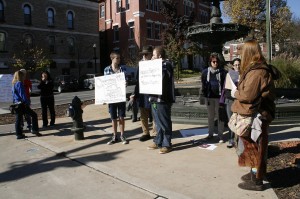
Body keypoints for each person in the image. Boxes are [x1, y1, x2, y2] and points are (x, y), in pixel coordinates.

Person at [231, 39, 280, 191]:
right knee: (251, 145)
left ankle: (257, 180)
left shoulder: (258, 71)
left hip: (258, 114)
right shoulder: (256, 69)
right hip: (256, 113)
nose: (241, 53)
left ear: (249, 52)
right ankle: (254, 174)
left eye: (243, 51)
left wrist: (235, 92)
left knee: (255, 146)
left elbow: (248, 95)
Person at [147, 46, 175, 154]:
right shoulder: (156, 65)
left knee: (164, 122)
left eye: (153, 55)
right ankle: (158, 141)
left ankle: (167, 144)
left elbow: (162, 77)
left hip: (163, 99)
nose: (152, 57)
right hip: (154, 99)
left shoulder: (167, 64)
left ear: (159, 56)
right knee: (158, 122)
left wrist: (153, 66)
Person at [130, 45, 157, 142]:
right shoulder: (140, 64)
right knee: (143, 114)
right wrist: (135, 94)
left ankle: (156, 133)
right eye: (143, 54)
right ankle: (145, 133)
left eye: (146, 54)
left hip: (154, 93)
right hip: (143, 93)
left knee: (155, 114)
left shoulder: (156, 64)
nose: (144, 56)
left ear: (151, 54)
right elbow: (137, 80)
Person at [201, 53, 227, 143]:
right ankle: (210, 134)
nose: (215, 63)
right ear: (210, 62)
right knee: (210, 116)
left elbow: (225, 85)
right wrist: (204, 95)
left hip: (219, 98)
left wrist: (223, 98)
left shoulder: (223, 72)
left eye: (217, 62)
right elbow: (203, 84)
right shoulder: (205, 72)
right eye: (213, 62)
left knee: (220, 117)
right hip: (209, 98)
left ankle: (220, 135)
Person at [104, 51, 129, 145]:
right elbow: (105, 84)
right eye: (117, 58)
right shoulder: (106, 69)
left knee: (121, 116)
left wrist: (126, 83)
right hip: (112, 98)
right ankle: (115, 136)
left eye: (119, 58)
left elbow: (126, 81)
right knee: (113, 117)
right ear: (112, 58)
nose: (119, 60)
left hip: (120, 96)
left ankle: (122, 135)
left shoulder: (123, 69)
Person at [12, 71, 41, 139]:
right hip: (22, 104)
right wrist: (27, 102)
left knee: (18, 120)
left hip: (16, 104)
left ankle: (19, 134)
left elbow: (14, 95)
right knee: (34, 115)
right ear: (20, 76)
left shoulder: (14, 84)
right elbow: (23, 94)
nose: (24, 77)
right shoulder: (19, 83)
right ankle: (34, 130)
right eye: (23, 76)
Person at [224, 58, 240, 148]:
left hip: (240, 101)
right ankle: (231, 139)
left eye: (239, 64)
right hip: (230, 100)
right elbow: (226, 91)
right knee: (231, 121)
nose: (237, 66)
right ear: (233, 66)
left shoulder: (244, 74)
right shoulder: (229, 75)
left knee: (239, 121)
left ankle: (238, 140)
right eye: (236, 65)